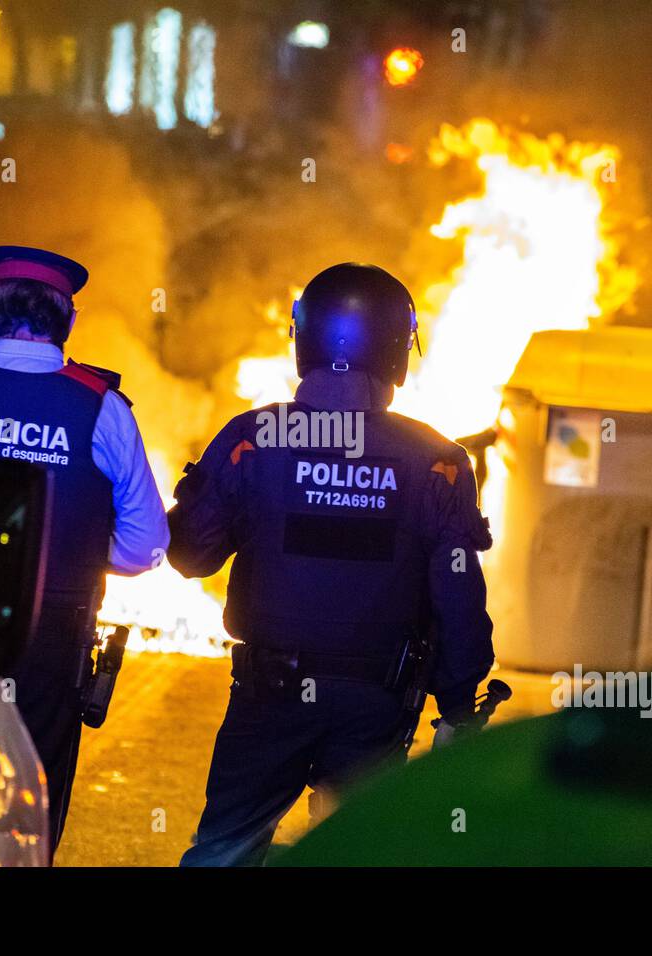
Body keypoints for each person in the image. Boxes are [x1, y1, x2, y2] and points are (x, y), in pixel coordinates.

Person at [168, 262, 494, 866]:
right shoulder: (437, 460)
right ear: (400, 350)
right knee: (354, 856)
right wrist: (456, 707)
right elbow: (458, 596)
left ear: (305, 339)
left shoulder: (252, 438)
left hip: (269, 696)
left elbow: (190, 556)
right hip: (377, 705)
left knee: (224, 855)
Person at [0, 245, 168, 858]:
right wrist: (73, 545)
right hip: (51, 642)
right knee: (33, 802)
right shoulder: (103, 408)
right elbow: (145, 546)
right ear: (68, 322)